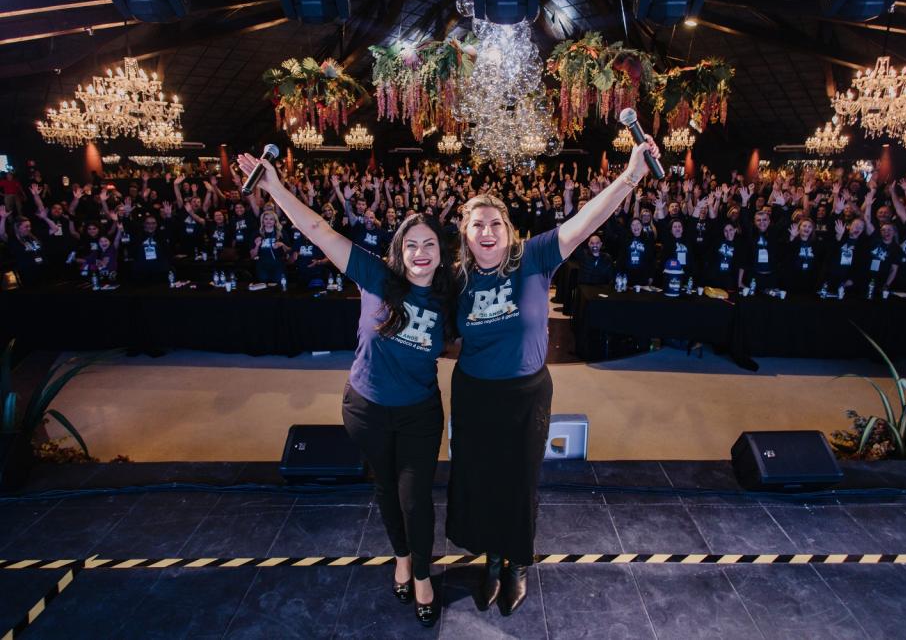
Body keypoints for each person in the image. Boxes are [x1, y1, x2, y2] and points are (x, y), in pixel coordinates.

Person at [237, 152, 453, 627]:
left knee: (415, 498)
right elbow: (319, 230)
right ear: (399, 250)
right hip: (367, 409)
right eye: (411, 244)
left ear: (441, 251)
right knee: (386, 489)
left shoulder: (448, 294)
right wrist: (274, 187)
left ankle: (421, 574)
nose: (420, 252)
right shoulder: (376, 276)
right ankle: (401, 558)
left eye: (429, 244)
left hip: (419, 413)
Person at [446, 136, 660, 616]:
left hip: (525, 394)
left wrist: (631, 176)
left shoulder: (535, 256)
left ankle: (518, 562)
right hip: (474, 393)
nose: (486, 232)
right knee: (481, 478)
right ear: (465, 233)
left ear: (508, 229)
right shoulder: (457, 276)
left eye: (495, 223)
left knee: (520, 481)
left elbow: (587, 220)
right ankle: (492, 558)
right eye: (477, 224)